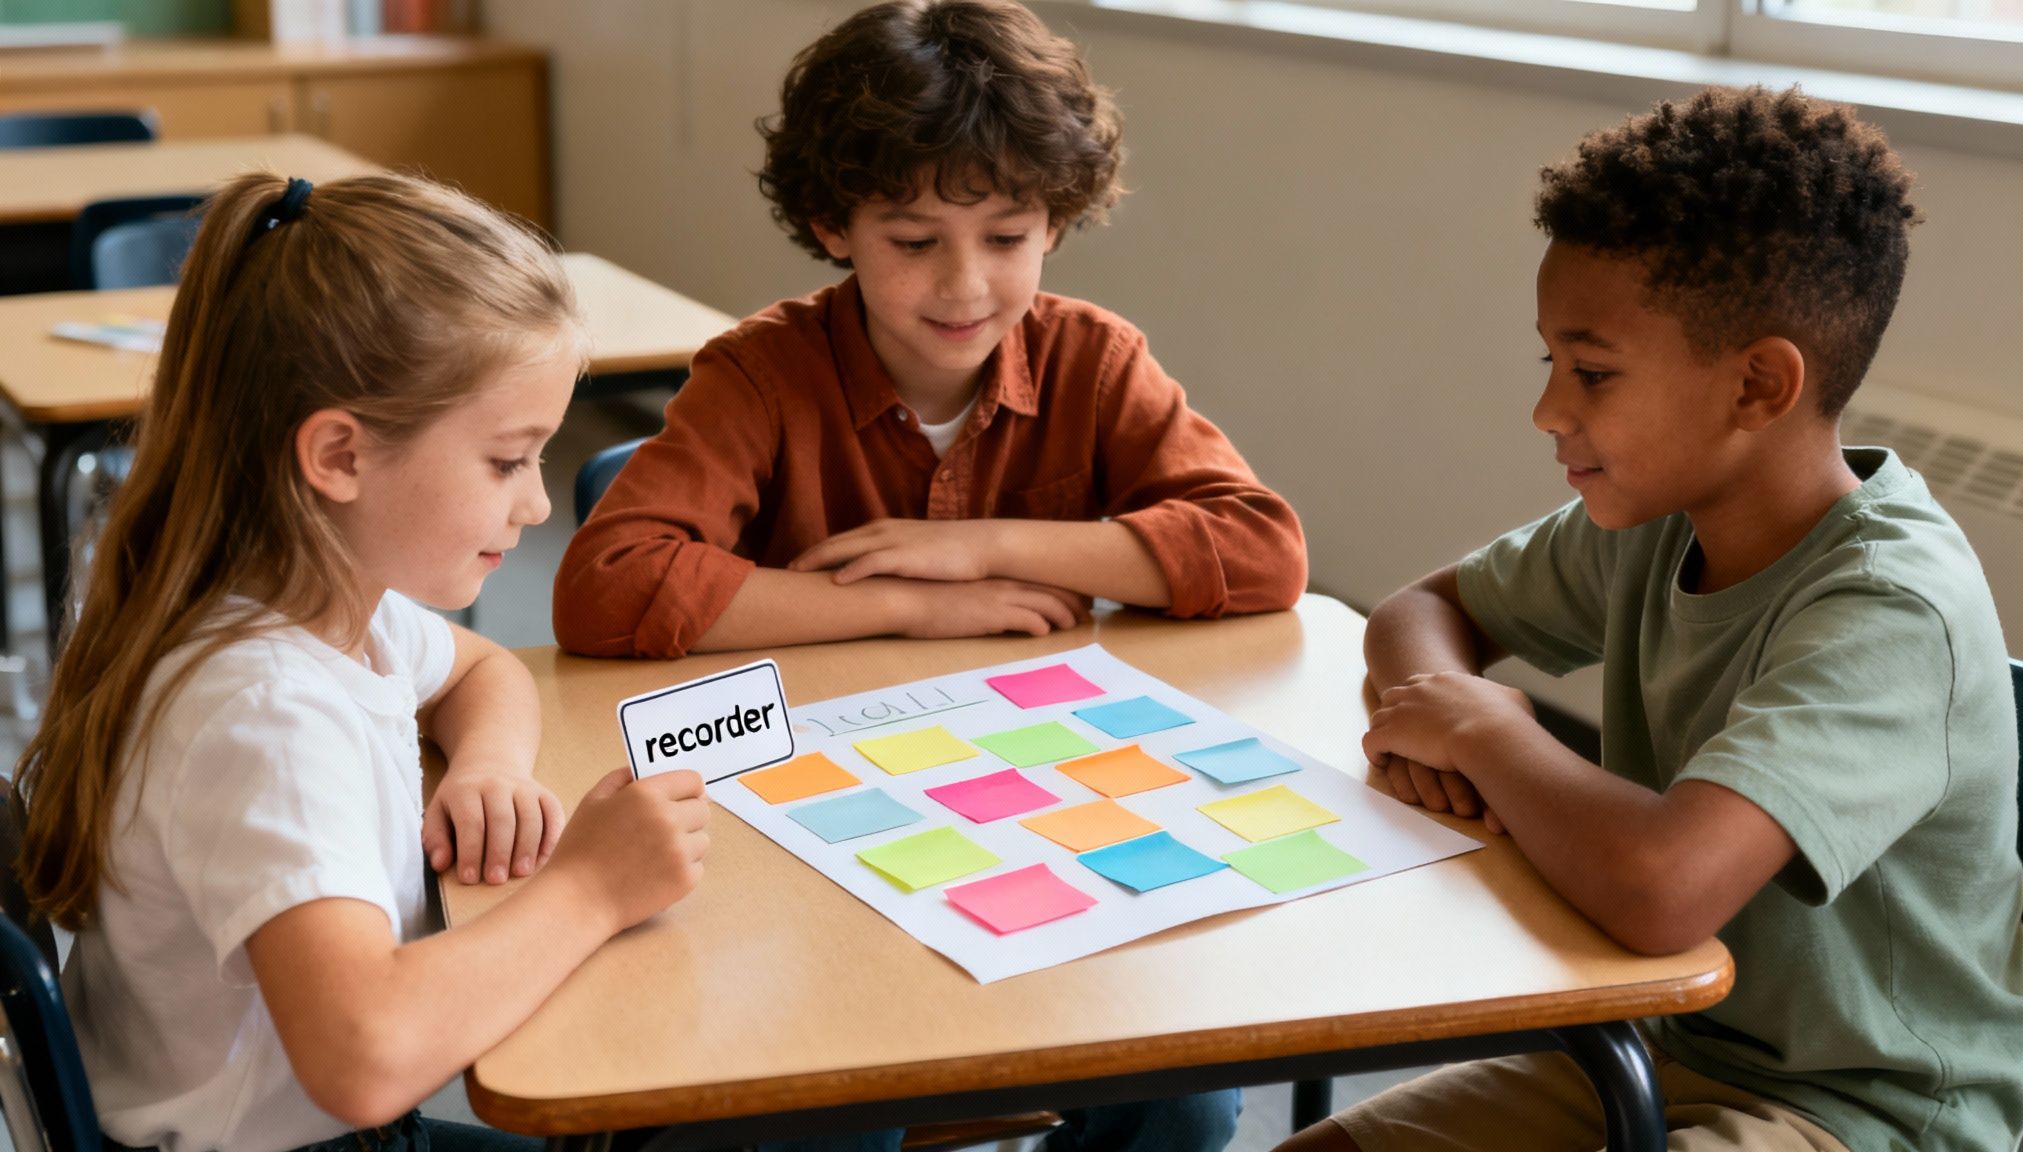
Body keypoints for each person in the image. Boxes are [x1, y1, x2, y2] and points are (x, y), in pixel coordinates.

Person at [1281, 85, 2023, 1152]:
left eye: (1590, 371)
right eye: (1549, 361)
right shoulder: (1658, 518)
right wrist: (1450, 708)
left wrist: (1491, 737)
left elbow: (1662, 890)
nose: (1548, 409)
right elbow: (1423, 609)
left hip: (1863, 1109)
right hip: (1658, 1038)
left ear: (1755, 387)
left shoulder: (1888, 612)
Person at [14, 172, 712, 1152]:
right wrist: (591, 889)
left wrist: (487, 770)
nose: (537, 507)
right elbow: (362, 1058)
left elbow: (482, 671)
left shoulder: (326, 600)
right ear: (339, 457)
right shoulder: (265, 715)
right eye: (507, 460)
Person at [553, 0, 1306, 659]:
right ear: (833, 224)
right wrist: (910, 603)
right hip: (822, 742)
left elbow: (1263, 553)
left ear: (1056, 223)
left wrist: (980, 547)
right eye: (915, 243)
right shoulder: (761, 376)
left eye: (1007, 238)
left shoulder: (1094, 360)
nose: (965, 287)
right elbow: (604, 589)